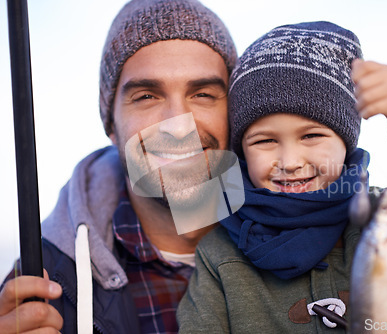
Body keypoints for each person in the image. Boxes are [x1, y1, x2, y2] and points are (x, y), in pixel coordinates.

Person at [176, 21, 387, 333]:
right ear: (242, 151)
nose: (289, 162)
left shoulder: (386, 223)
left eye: (312, 136)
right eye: (265, 141)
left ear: (346, 142)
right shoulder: (218, 252)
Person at [0, 0, 238, 333]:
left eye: (203, 94)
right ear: (111, 124)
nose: (178, 124)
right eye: (146, 96)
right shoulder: (39, 284)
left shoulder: (312, 240)